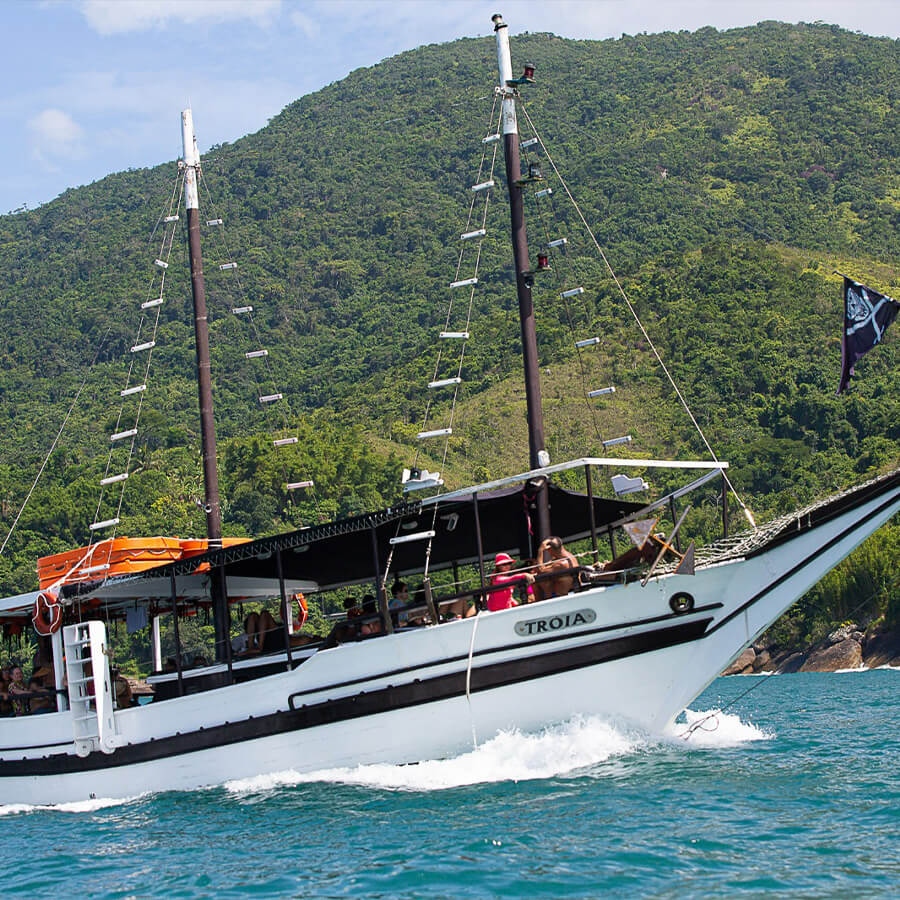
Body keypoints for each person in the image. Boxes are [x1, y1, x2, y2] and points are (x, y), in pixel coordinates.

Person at [534, 536, 580, 601]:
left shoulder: (562, 563)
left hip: (562, 598)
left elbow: (541, 571)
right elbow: (544, 567)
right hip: (566, 595)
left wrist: (540, 550)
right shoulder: (569, 556)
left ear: (550, 549)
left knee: (540, 581)